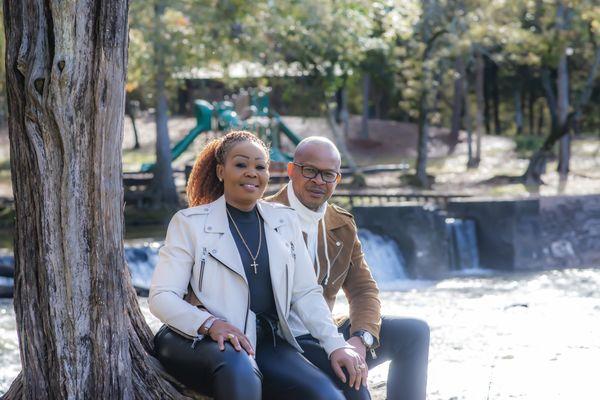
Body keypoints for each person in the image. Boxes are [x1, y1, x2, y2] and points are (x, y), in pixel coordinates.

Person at [149, 131, 368, 400]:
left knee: (327, 394)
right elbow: (161, 297)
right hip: (196, 338)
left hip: (265, 341)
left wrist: (336, 346)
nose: (252, 173)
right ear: (221, 171)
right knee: (240, 367)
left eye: (260, 166)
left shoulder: (284, 221)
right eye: (241, 164)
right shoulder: (189, 223)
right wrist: (209, 323)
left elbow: (306, 293)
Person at [266, 136, 430, 400]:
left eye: (328, 174)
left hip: (328, 332)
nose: (319, 181)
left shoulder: (341, 223)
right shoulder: (265, 216)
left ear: (337, 179)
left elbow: (363, 289)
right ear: (291, 170)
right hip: (288, 341)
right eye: (310, 171)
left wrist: (360, 338)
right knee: (354, 387)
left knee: (414, 332)